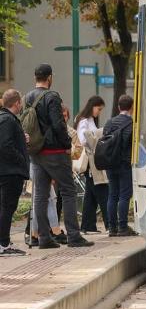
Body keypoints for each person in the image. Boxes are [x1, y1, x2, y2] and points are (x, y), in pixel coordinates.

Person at [25, 64, 93, 248]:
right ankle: (73, 236)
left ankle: (44, 238)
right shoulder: (52, 97)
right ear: (49, 78)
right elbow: (58, 124)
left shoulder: (28, 97)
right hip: (55, 152)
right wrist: (66, 145)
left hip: (37, 153)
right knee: (68, 192)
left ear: (35, 77)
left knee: (40, 195)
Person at [0, 89, 29, 255]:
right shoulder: (8, 120)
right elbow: (5, 146)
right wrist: (21, 159)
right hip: (10, 172)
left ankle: (3, 242)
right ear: (17, 103)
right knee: (7, 207)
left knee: (5, 207)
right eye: (20, 104)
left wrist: (21, 138)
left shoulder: (5, 119)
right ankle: (3, 244)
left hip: (6, 170)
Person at [75, 95, 109, 233]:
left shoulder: (88, 120)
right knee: (102, 191)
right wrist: (98, 135)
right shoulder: (84, 121)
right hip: (90, 161)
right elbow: (84, 140)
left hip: (92, 160)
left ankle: (88, 225)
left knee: (91, 195)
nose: (99, 112)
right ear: (92, 106)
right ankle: (110, 223)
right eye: (98, 109)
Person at [104, 94, 137, 237]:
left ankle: (112, 228)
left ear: (118, 107)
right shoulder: (132, 124)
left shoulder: (109, 122)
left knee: (112, 195)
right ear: (132, 108)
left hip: (110, 163)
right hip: (125, 163)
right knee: (124, 196)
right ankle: (123, 227)